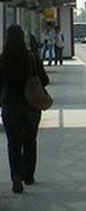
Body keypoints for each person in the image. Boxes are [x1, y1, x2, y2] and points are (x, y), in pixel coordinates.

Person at [0, 24, 49, 193]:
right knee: (30, 141)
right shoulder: (31, 57)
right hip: (31, 106)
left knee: (13, 143)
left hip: (10, 106)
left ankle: (16, 176)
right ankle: (29, 175)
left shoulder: (2, 60)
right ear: (23, 38)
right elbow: (45, 80)